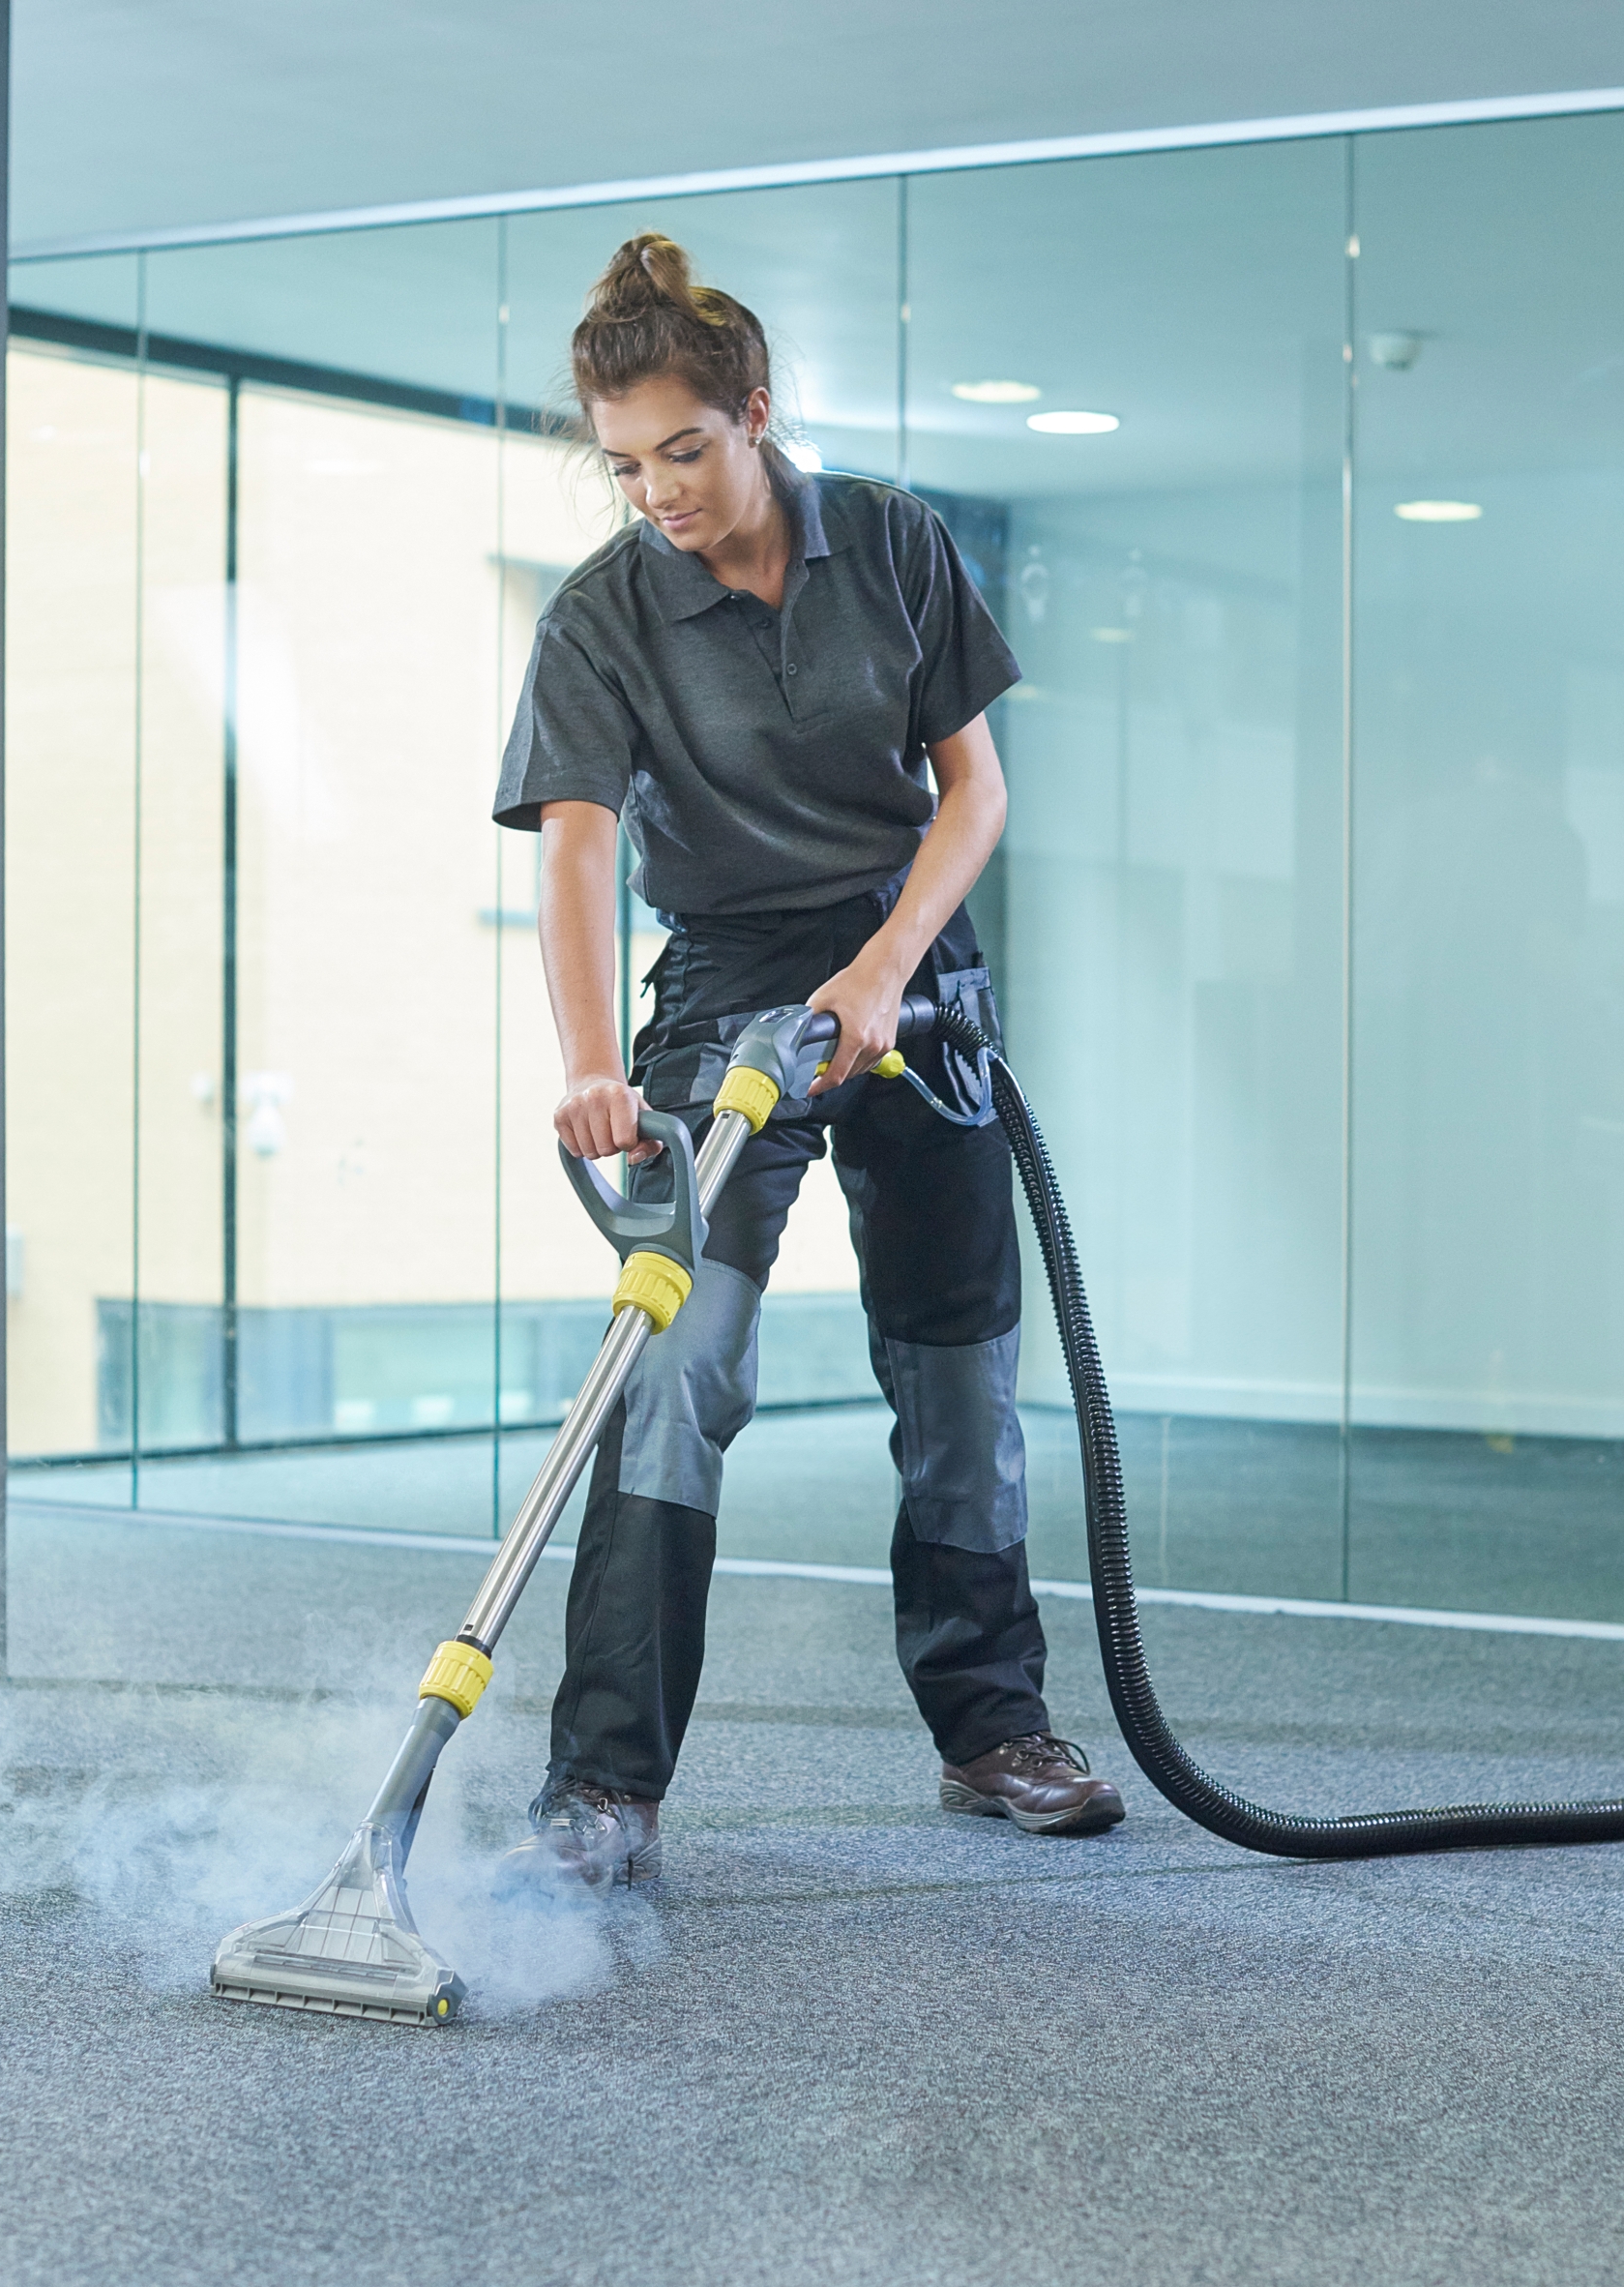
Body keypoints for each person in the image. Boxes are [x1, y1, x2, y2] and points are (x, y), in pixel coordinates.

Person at [491, 233, 1122, 1886]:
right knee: (678, 1361)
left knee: (958, 1366)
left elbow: (971, 791)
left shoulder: (894, 544)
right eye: (625, 466)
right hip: (721, 985)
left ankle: (994, 1730)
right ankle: (604, 1783)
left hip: (906, 962)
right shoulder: (602, 616)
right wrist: (587, 1066)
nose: (658, 493)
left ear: (756, 415)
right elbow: (571, 852)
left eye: (684, 451)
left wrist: (885, 970)